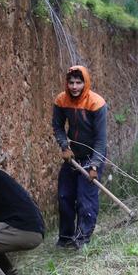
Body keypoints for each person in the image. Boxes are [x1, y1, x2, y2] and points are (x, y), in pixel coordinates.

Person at [52, 65, 108, 249]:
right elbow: (58, 126)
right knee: (65, 195)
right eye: (71, 83)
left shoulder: (96, 103)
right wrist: (64, 146)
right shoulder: (61, 100)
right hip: (73, 156)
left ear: (86, 83)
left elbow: (101, 139)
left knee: (85, 198)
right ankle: (66, 237)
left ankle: (83, 238)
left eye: (78, 82)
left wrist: (95, 165)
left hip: (93, 155)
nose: (74, 87)